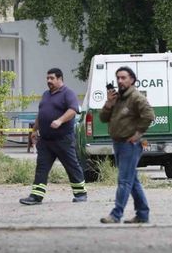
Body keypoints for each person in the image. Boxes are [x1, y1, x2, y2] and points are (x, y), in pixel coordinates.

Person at [19, 68, 87, 205]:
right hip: (45, 141)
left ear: (60, 78)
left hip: (63, 140)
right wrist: (34, 131)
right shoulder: (46, 95)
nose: (48, 81)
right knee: (41, 168)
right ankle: (36, 196)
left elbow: (73, 110)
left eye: (51, 78)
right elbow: (41, 113)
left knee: (72, 166)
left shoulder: (68, 93)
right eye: (47, 78)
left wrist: (60, 120)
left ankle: (80, 194)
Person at [99, 66, 155, 224]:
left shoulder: (136, 97)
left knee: (124, 181)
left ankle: (116, 215)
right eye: (118, 78)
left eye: (123, 78)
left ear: (132, 80)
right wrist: (109, 103)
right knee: (133, 181)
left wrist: (138, 134)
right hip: (118, 144)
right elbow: (103, 118)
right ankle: (143, 214)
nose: (120, 81)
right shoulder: (118, 98)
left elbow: (149, 116)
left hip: (130, 145)